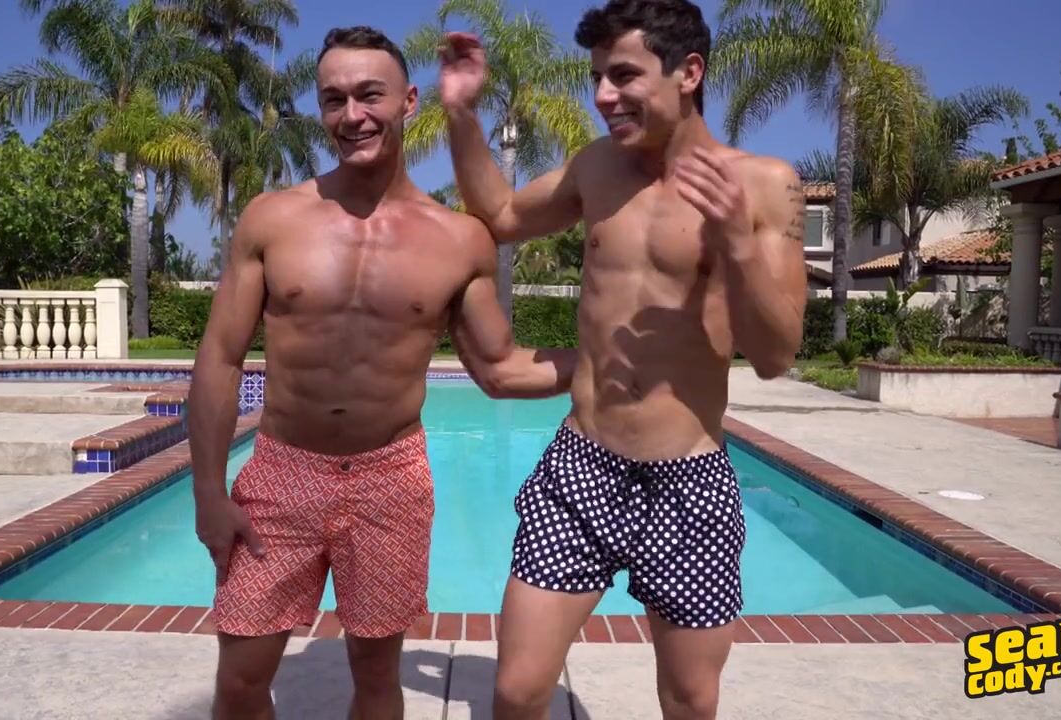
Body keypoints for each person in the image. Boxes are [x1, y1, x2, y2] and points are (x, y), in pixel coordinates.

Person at [187, 25, 579, 720]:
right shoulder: (273, 219)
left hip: (390, 478)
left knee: (375, 678)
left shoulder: (459, 238)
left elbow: (499, 368)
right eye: (333, 99)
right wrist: (208, 494)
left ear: (409, 101)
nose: (352, 115)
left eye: (370, 95)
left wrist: (612, 361)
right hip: (282, 471)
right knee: (241, 680)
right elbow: (220, 358)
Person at [435, 0, 808, 717]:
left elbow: (775, 356)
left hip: (689, 483)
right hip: (582, 468)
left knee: (690, 700)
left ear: (689, 73)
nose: (604, 96)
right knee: (516, 690)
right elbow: (503, 217)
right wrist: (460, 114)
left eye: (625, 75)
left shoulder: (765, 183)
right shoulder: (597, 167)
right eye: (597, 78)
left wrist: (735, 246)